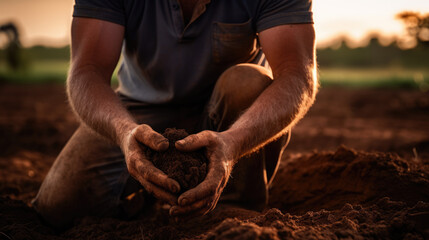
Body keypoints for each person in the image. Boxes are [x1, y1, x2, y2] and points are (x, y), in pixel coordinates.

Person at [32, 0, 318, 228]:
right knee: (57, 206)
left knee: (248, 82)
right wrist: (124, 131)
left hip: (230, 115)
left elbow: (296, 76)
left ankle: (233, 206)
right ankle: (142, 200)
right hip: (138, 114)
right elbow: (87, 71)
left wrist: (233, 143)